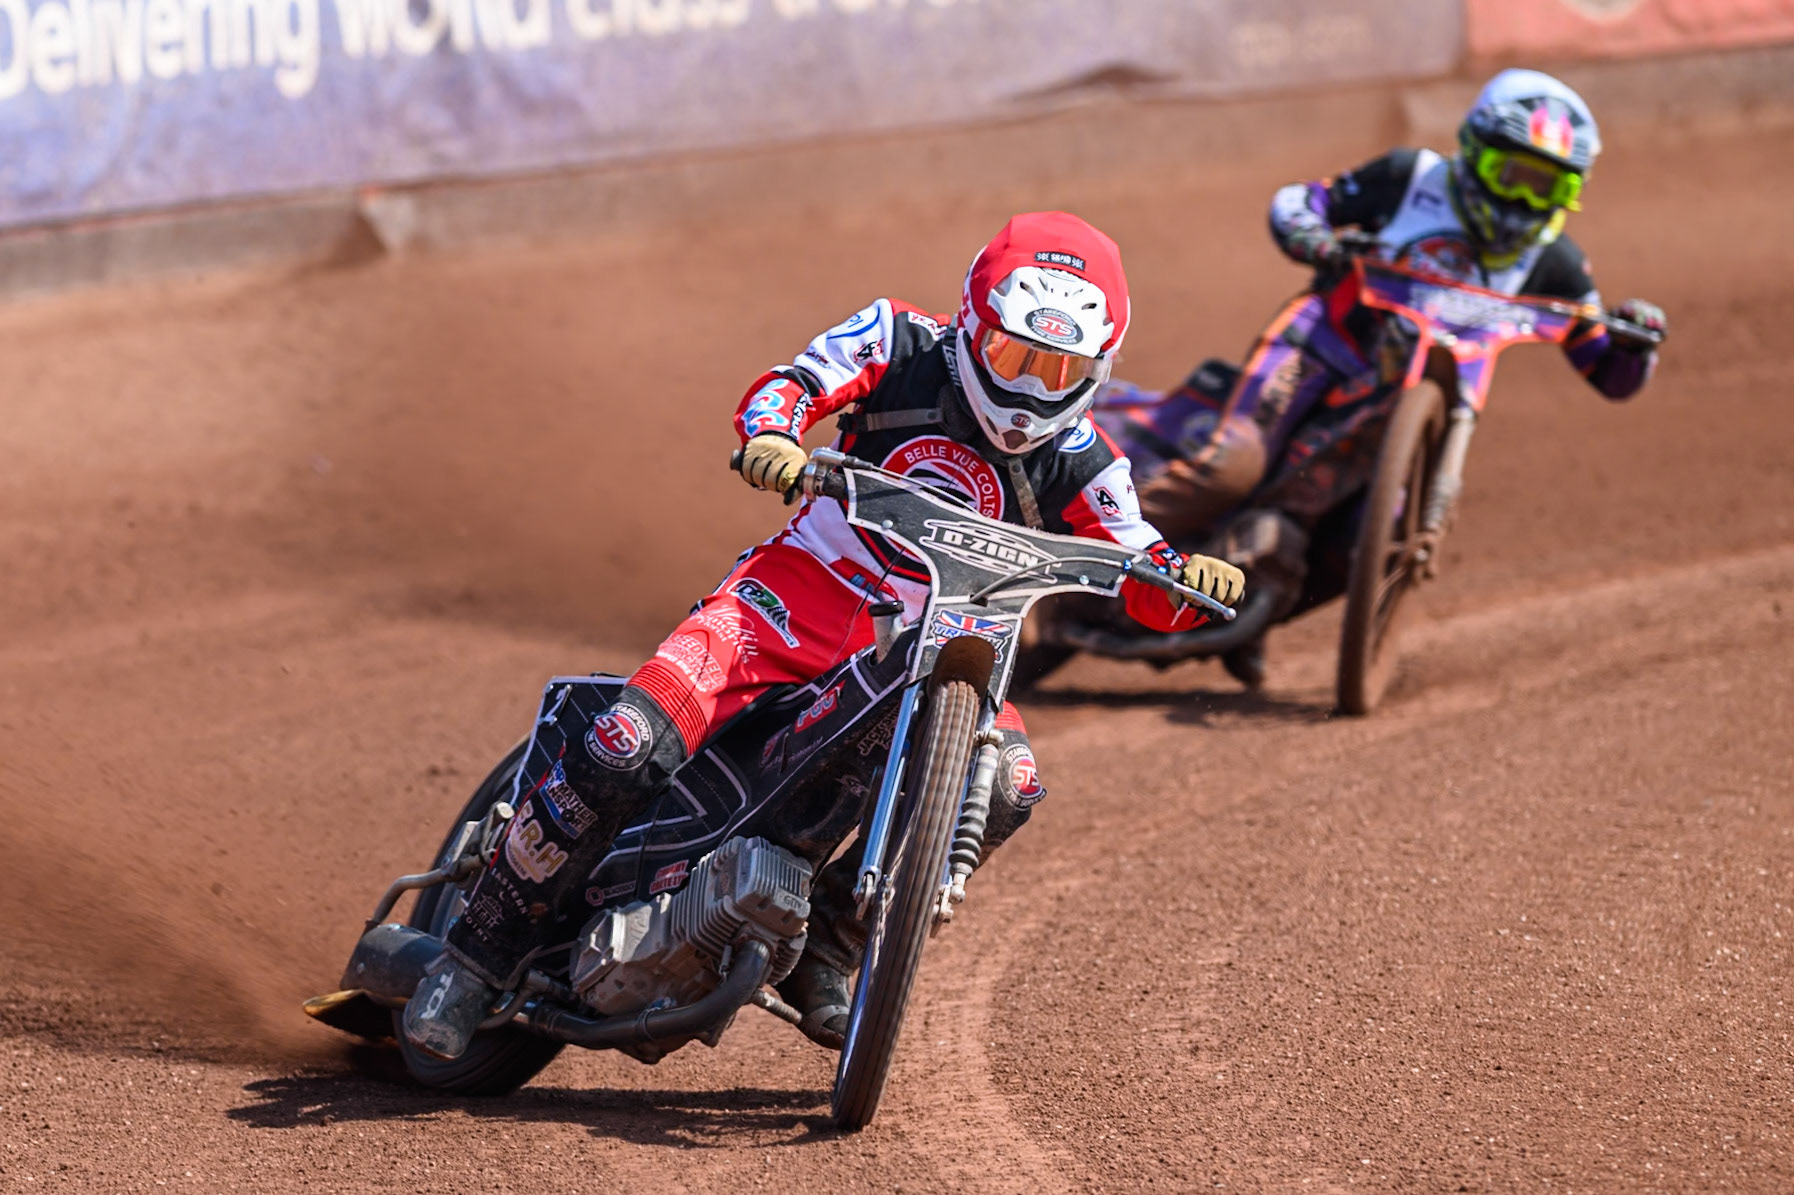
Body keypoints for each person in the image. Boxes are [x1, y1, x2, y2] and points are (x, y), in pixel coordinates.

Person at [402, 211, 1246, 1060]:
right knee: (626, 740)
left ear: (1098, 369)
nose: (1031, 388)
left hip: (944, 640)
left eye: (1058, 368)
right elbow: (794, 385)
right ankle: (473, 958)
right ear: (971, 323)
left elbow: (1144, 564)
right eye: (1012, 355)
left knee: (1009, 787)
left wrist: (1190, 583)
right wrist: (772, 435)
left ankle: (833, 946)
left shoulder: (1089, 460)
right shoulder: (899, 340)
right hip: (790, 598)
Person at [1123, 69, 1667, 686]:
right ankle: (1091, 548)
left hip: (1410, 409)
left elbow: (1611, 374)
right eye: (1510, 174)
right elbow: (1300, 202)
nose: (1522, 200)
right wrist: (1315, 240)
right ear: (1475, 153)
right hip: (1321, 347)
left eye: (1547, 186)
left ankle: (1252, 616)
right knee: (1230, 469)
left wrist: (1635, 340)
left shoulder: (1557, 264)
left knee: (1368, 543)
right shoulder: (1411, 178)